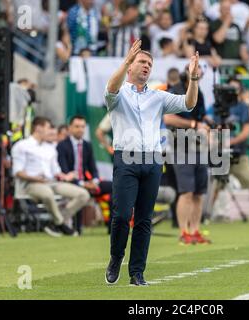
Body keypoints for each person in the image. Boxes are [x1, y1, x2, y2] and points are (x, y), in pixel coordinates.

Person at [104, 39, 199, 286]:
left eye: (149, 63)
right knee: (122, 215)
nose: (146, 66)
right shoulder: (119, 92)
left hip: (153, 160)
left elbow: (188, 104)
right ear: (131, 65)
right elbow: (110, 89)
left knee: (145, 219)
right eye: (142, 62)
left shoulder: (158, 96)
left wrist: (194, 80)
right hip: (126, 157)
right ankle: (116, 257)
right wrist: (125, 61)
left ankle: (137, 272)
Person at [11, 117, 90, 237]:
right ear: (38, 128)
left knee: (83, 194)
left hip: (51, 183)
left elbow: (56, 171)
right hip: (30, 184)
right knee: (47, 193)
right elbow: (17, 172)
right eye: (48, 128)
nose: (51, 131)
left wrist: (66, 176)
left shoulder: (50, 148)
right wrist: (35, 178)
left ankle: (55, 223)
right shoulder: (22, 146)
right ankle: (61, 225)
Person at [163, 64, 211, 245]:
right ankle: (184, 231)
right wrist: (194, 125)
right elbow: (168, 118)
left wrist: (209, 123)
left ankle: (195, 230)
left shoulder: (201, 93)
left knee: (199, 192)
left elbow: (201, 117)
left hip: (199, 146)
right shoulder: (175, 91)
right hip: (180, 145)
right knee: (186, 192)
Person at [212, 77, 249, 223]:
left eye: (235, 88)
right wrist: (220, 142)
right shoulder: (219, 107)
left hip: (239, 154)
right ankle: (204, 216)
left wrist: (230, 142)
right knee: (215, 186)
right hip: (221, 154)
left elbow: (246, 132)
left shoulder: (243, 107)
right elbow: (213, 128)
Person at [57, 115, 112, 199]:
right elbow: (65, 171)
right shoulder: (62, 145)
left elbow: (93, 168)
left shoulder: (87, 145)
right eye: (77, 127)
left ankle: (116, 213)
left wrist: (95, 181)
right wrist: (83, 184)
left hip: (87, 182)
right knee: (83, 195)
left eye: (83, 127)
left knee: (114, 186)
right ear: (70, 128)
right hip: (71, 182)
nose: (80, 129)